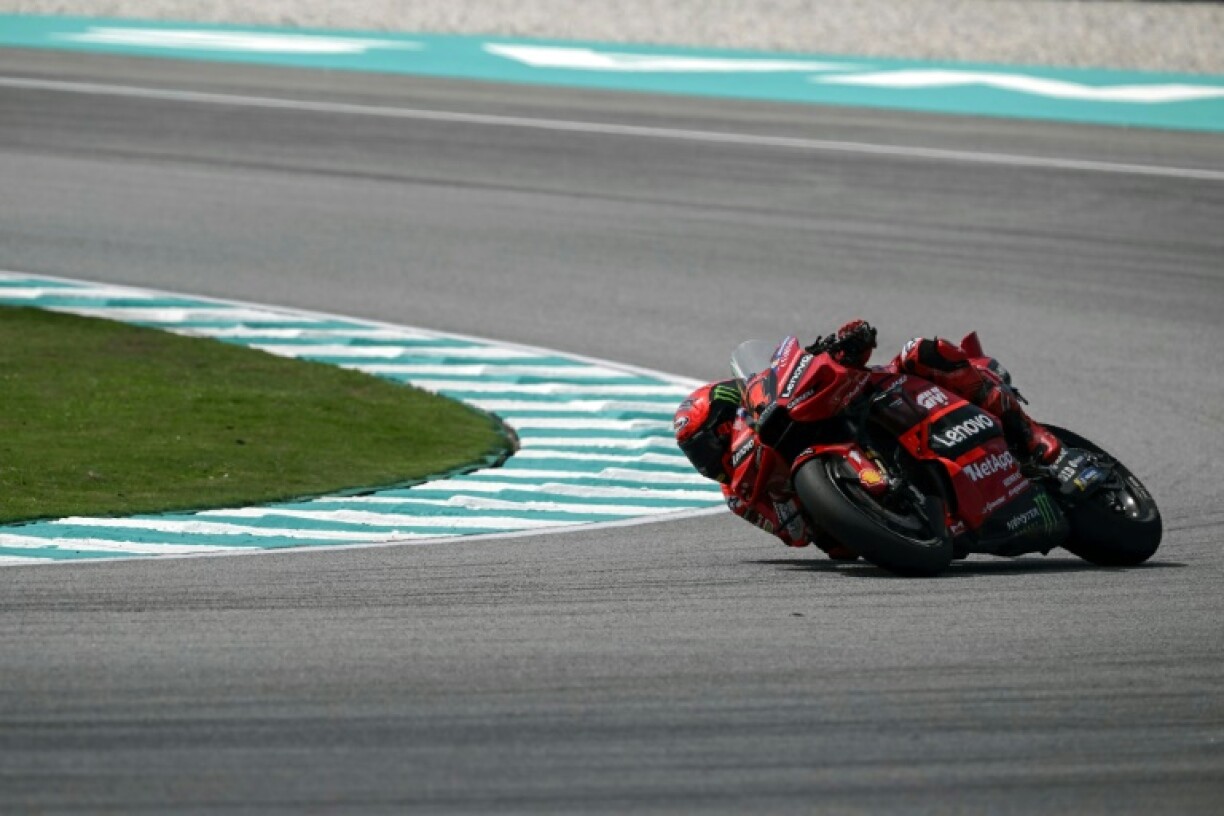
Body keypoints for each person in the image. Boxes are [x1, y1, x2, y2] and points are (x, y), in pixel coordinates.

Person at [673, 319, 1062, 554]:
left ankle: (1032, 436)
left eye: (705, 445)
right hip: (858, 522)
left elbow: (836, 357)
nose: (706, 461)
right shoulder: (740, 497)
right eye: (696, 456)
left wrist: (846, 342)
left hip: (889, 393)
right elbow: (794, 536)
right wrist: (797, 506)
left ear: (728, 417)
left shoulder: (770, 393)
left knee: (920, 352)